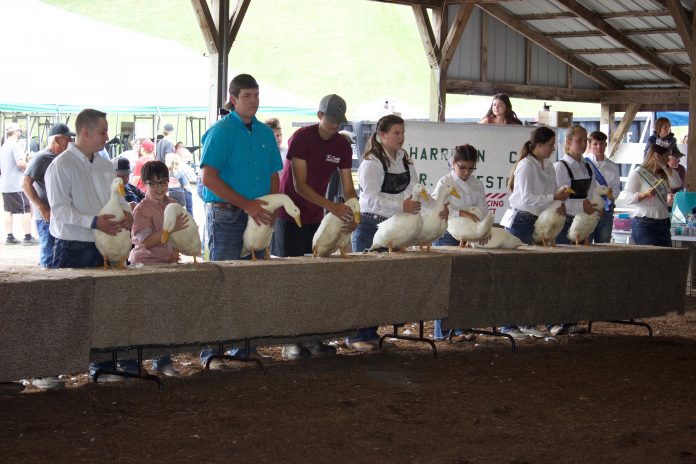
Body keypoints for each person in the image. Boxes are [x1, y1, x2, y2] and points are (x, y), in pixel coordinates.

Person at [44, 109, 136, 382]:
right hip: (74, 245)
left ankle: (103, 368)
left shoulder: (106, 165)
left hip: (106, 246)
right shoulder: (60, 166)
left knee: (106, 310)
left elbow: (117, 198)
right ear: (85, 132)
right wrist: (94, 222)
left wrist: (127, 211)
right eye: (103, 132)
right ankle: (50, 371)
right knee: (67, 309)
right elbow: (59, 211)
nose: (107, 137)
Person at [198, 73, 282, 368]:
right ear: (233, 100)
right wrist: (247, 204)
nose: (254, 101)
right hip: (227, 214)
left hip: (259, 214)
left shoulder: (263, 133)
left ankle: (244, 347)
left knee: (251, 281)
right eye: (247, 96)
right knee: (222, 278)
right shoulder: (221, 132)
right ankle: (212, 350)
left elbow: (275, 174)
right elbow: (208, 177)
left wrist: (271, 206)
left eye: (257, 95)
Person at [271, 94, 357, 361]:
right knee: (293, 277)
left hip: (317, 215)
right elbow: (299, 185)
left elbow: (348, 185)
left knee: (316, 277)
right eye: (331, 120)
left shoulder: (343, 145)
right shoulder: (302, 138)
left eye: (339, 121)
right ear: (319, 116)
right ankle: (291, 341)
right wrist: (332, 207)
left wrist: (354, 209)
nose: (334, 126)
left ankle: (313, 336)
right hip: (290, 214)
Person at [349, 114, 419, 351]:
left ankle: (371, 332)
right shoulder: (371, 162)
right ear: (382, 135)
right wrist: (401, 205)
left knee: (383, 283)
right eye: (396, 133)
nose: (401, 137)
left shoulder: (405, 161)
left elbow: (413, 192)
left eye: (403, 133)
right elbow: (368, 200)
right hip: (371, 227)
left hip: (395, 230)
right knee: (365, 282)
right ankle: (358, 336)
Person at [499, 126, 571, 339]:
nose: (552, 149)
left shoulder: (547, 165)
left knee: (535, 274)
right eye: (549, 145)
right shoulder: (526, 166)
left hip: (540, 222)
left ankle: (527, 321)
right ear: (538, 145)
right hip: (522, 221)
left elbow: (550, 193)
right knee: (518, 275)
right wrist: (553, 197)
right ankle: (509, 324)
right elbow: (527, 197)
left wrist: (559, 201)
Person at [128, 160, 189, 377]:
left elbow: (183, 236)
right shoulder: (142, 209)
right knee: (146, 315)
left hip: (168, 265)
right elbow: (146, 242)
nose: (159, 187)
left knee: (166, 314)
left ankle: (162, 360)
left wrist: (178, 246)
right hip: (146, 266)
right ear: (144, 184)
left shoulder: (173, 204)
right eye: (153, 183)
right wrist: (169, 229)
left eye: (163, 182)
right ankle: (136, 361)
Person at [432, 144, 488, 342]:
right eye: (462, 167)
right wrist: (461, 212)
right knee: (446, 283)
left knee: (465, 282)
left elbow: (484, 209)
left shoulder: (477, 184)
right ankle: (443, 331)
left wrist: (484, 228)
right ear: (453, 163)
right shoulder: (444, 182)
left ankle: (462, 327)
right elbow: (437, 208)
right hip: (448, 234)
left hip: (471, 236)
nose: (466, 172)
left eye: (471, 168)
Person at [22, 123, 74, 268]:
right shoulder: (42, 157)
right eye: (68, 139)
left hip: (61, 215)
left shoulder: (66, 158)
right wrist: (42, 207)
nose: (71, 142)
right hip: (47, 216)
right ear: (57, 140)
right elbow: (25, 183)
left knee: (60, 254)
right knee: (49, 253)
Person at [626, 142, 682, 246]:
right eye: (666, 156)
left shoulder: (665, 172)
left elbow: (677, 183)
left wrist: (665, 166)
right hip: (644, 223)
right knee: (648, 260)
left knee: (666, 259)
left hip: (664, 223)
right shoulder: (638, 173)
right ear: (656, 156)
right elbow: (628, 198)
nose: (668, 159)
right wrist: (644, 195)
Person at [553, 125, 597, 246]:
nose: (584, 144)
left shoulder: (589, 167)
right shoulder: (560, 167)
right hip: (564, 223)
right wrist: (582, 206)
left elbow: (591, 195)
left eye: (586, 141)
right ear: (568, 141)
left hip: (583, 222)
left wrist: (596, 207)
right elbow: (557, 202)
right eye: (579, 140)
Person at [0, 122, 38, 246]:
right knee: (26, 208)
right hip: (16, 184)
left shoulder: (4, 146)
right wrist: (31, 167)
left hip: (5, 183)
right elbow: (20, 163)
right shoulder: (15, 145)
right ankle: (27, 237)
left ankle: (9, 236)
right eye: (19, 131)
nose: (20, 133)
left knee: (8, 210)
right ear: (16, 132)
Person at [585, 130, 621, 243]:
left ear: (605, 144)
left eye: (602, 143)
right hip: (589, 208)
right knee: (585, 244)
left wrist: (610, 194)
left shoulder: (613, 166)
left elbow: (616, 188)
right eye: (595, 144)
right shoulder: (583, 164)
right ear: (589, 145)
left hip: (607, 209)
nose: (599, 147)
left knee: (604, 244)